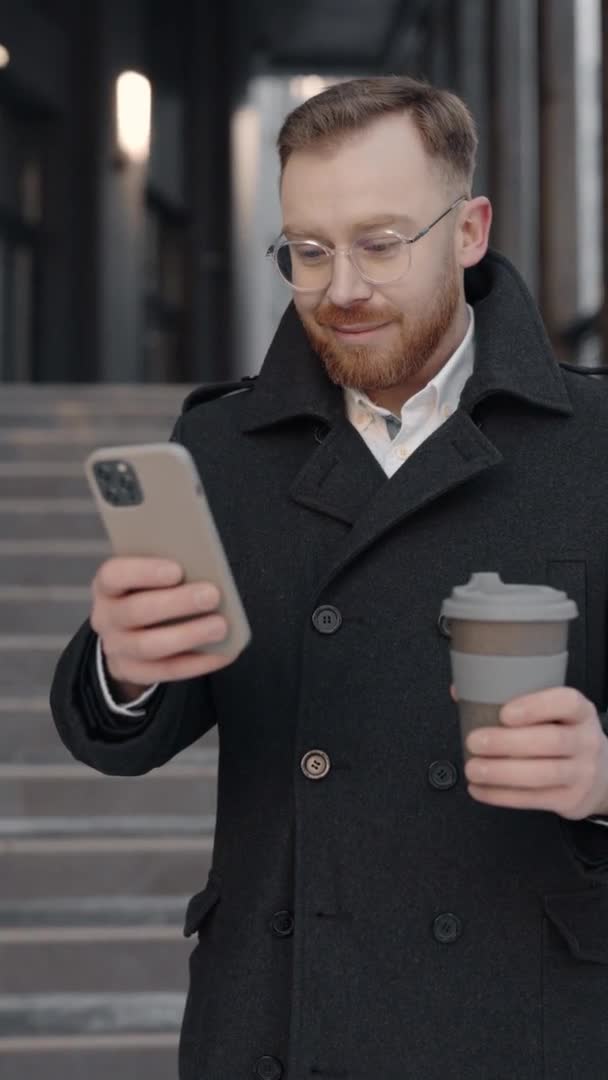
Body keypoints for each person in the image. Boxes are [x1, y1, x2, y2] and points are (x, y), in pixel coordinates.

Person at [50, 76, 608, 1080]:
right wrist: (124, 667)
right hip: (281, 1017)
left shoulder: (595, 443)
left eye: (380, 242)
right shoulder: (222, 444)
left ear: (468, 229)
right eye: (307, 251)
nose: (340, 287)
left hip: (523, 1017)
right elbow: (132, 735)